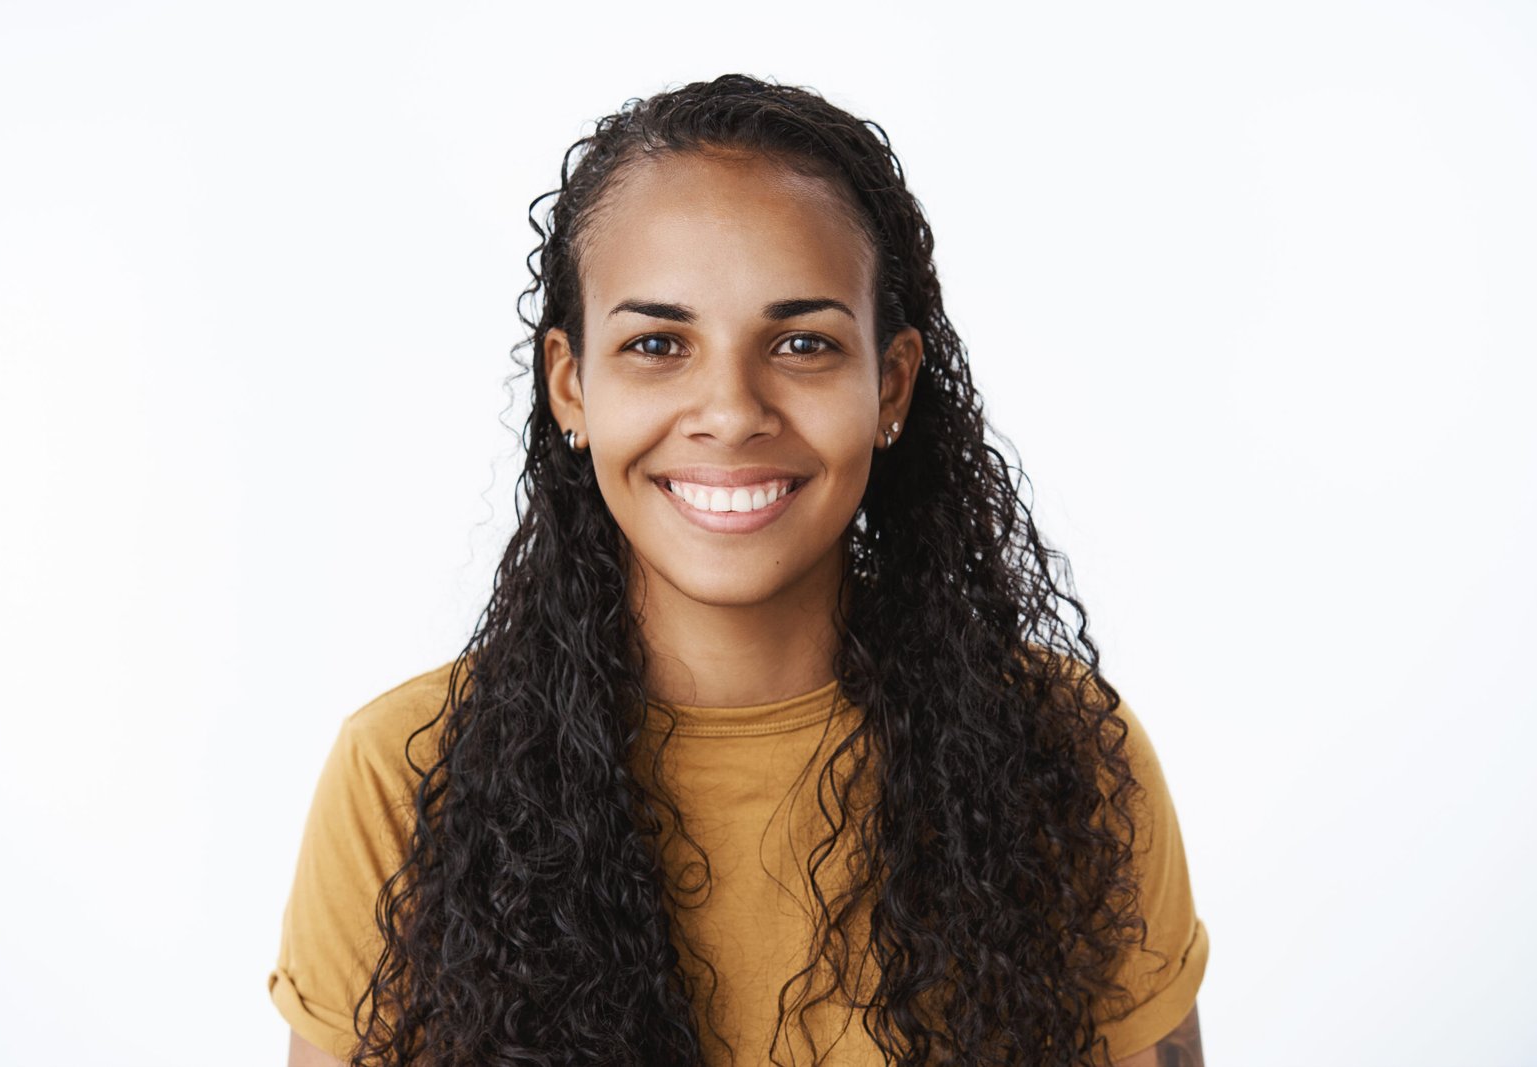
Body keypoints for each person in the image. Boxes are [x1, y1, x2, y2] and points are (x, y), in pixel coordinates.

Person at [268, 73, 1208, 1067]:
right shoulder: (406, 773)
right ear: (570, 387)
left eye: (801, 342)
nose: (730, 410)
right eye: (656, 343)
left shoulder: (1057, 752)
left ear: (888, 385)